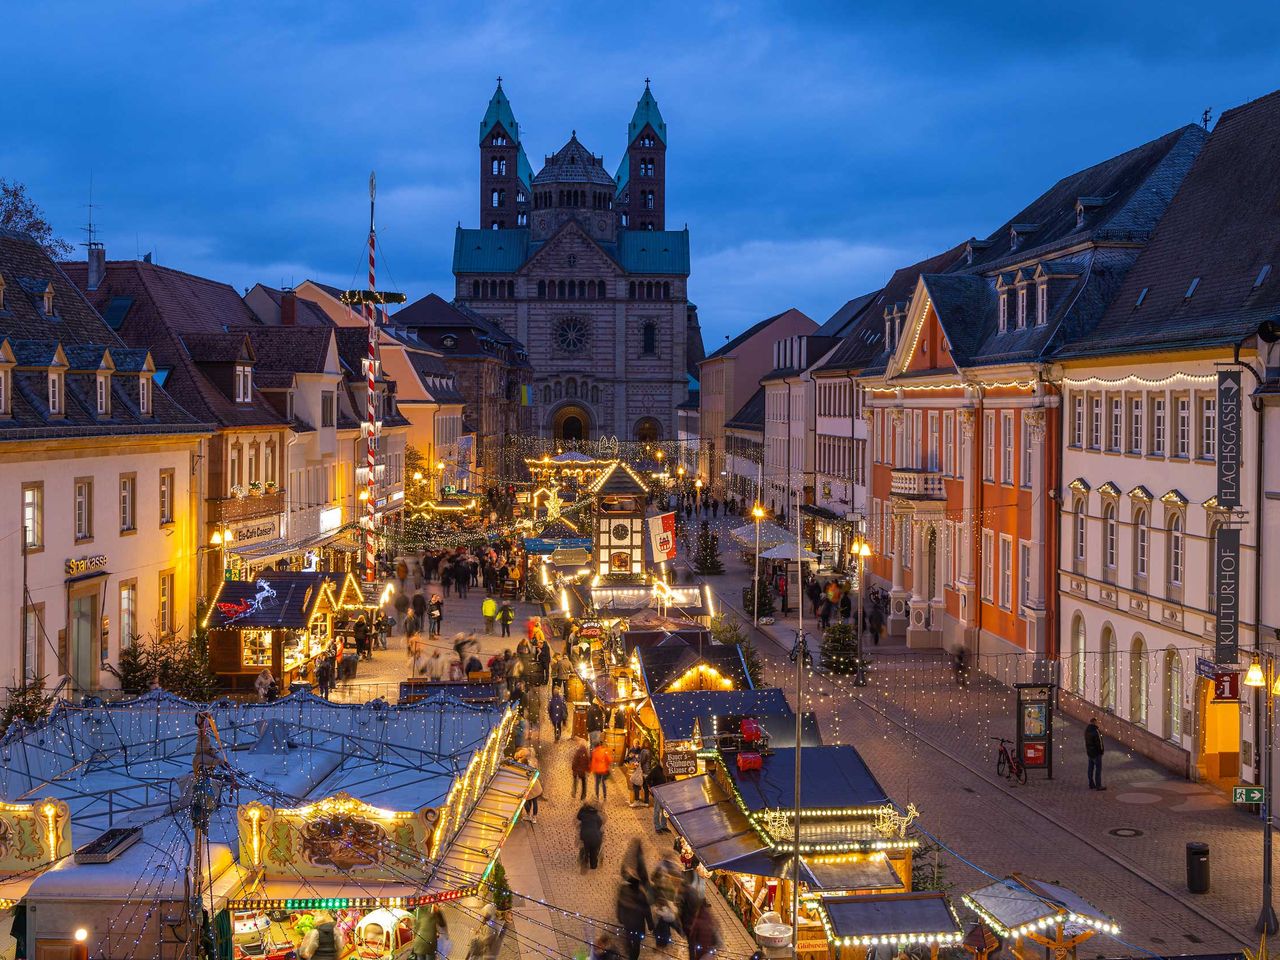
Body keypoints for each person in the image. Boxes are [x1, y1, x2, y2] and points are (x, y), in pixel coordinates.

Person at [616, 874, 650, 960]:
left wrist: (619, 916)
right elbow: (646, 910)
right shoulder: (641, 894)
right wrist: (650, 924)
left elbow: (619, 905)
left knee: (629, 936)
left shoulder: (623, 890)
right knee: (636, 943)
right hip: (638, 923)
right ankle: (633, 957)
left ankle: (630, 950)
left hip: (627, 921)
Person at [577, 802, 604, 871]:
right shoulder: (597, 817)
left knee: (586, 848)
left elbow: (578, 816)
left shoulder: (584, 815)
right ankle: (593, 865)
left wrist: (582, 808)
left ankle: (585, 859)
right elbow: (600, 824)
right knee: (594, 851)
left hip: (586, 836)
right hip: (596, 837)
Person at [646, 761, 669, 832]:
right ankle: (657, 826)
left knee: (665, 810)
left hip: (666, 792)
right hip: (658, 792)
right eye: (663, 762)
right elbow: (648, 779)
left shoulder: (668, 769)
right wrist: (652, 788)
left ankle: (664, 825)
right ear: (661, 762)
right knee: (657, 810)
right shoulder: (656, 770)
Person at [1085, 717, 1106, 790]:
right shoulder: (1096, 731)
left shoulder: (1087, 730)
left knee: (1090, 768)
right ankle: (1098, 785)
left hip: (1090, 752)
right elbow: (1100, 742)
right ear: (1094, 722)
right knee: (1098, 769)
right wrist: (1101, 751)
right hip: (1096, 753)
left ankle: (1091, 783)